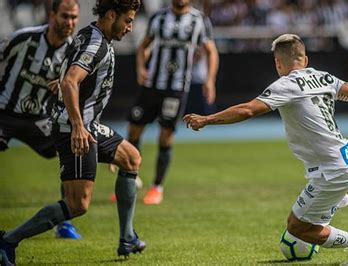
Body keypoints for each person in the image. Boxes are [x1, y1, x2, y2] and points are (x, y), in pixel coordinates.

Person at [183, 34, 348, 265]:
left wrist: (207, 119)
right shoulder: (325, 78)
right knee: (336, 200)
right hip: (346, 157)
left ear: (278, 63)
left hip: (331, 168)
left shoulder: (285, 85)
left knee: (298, 227)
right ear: (305, 59)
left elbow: (248, 109)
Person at [0, 0, 144, 264]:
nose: (130, 27)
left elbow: (70, 74)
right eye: (128, 20)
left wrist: (66, 82)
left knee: (131, 158)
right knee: (77, 205)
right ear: (112, 15)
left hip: (87, 125)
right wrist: (77, 126)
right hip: (74, 128)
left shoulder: (89, 34)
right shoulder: (96, 43)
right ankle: (8, 241)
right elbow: (70, 81)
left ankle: (127, 238)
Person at [0, 0, 82, 239]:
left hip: (38, 119)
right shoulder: (23, 38)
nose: (70, 23)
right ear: (52, 14)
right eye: (65, 16)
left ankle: (64, 224)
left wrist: (65, 88)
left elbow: (77, 87)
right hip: (4, 112)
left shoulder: (72, 53)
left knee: (72, 149)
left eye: (74, 17)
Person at [127, 0, 219, 205]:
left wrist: (210, 80)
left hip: (177, 88)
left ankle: (156, 187)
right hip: (152, 84)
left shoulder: (199, 20)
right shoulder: (159, 18)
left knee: (166, 135)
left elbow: (211, 51)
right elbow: (143, 46)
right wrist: (141, 68)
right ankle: (129, 181)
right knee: (134, 130)